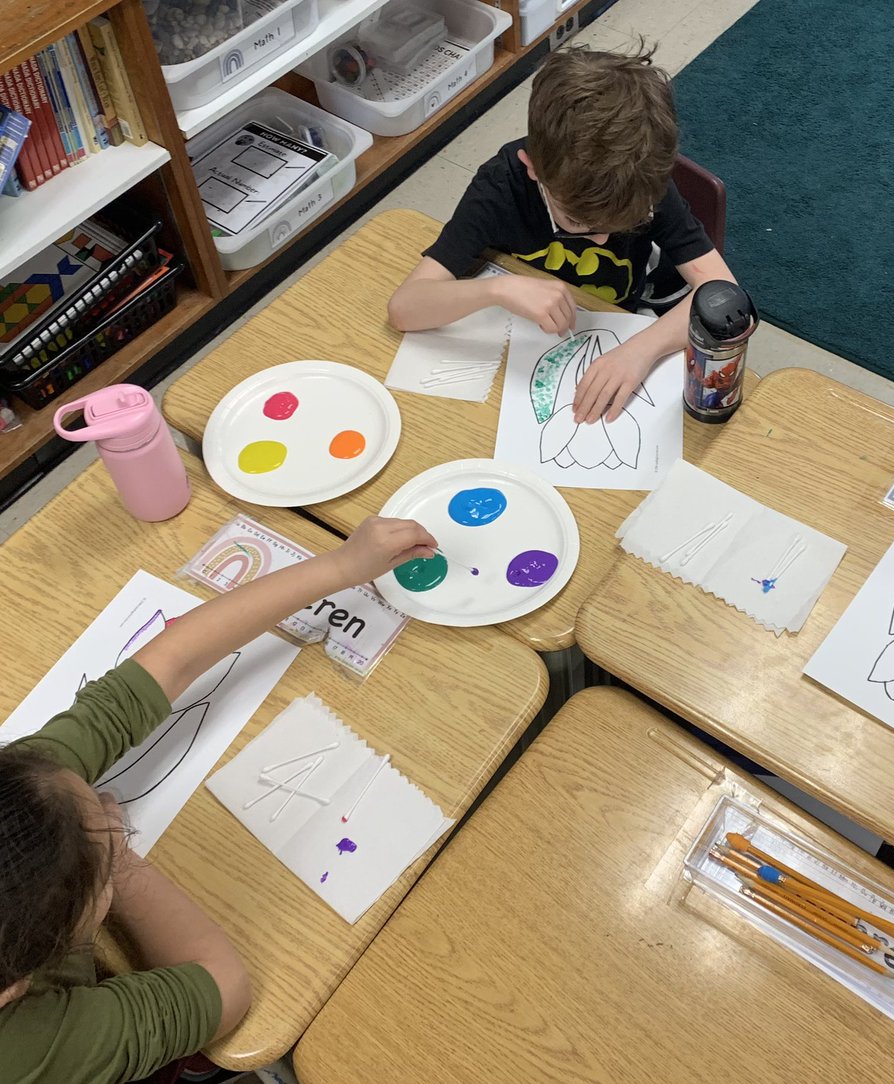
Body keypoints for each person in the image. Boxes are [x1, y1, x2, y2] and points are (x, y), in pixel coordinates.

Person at [0, 516, 437, 1083]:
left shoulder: (22, 801)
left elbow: (166, 664)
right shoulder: (30, 1052)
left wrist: (342, 567)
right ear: (19, 986)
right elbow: (224, 987)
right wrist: (119, 859)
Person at [387, 45, 736, 425]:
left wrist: (641, 350)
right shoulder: (501, 188)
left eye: (620, 226)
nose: (600, 241)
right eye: (577, 222)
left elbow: (723, 292)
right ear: (533, 169)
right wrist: (497, 290)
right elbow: (404, 308)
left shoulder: (642, 184)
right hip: (517, 351)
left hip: (618, 322)